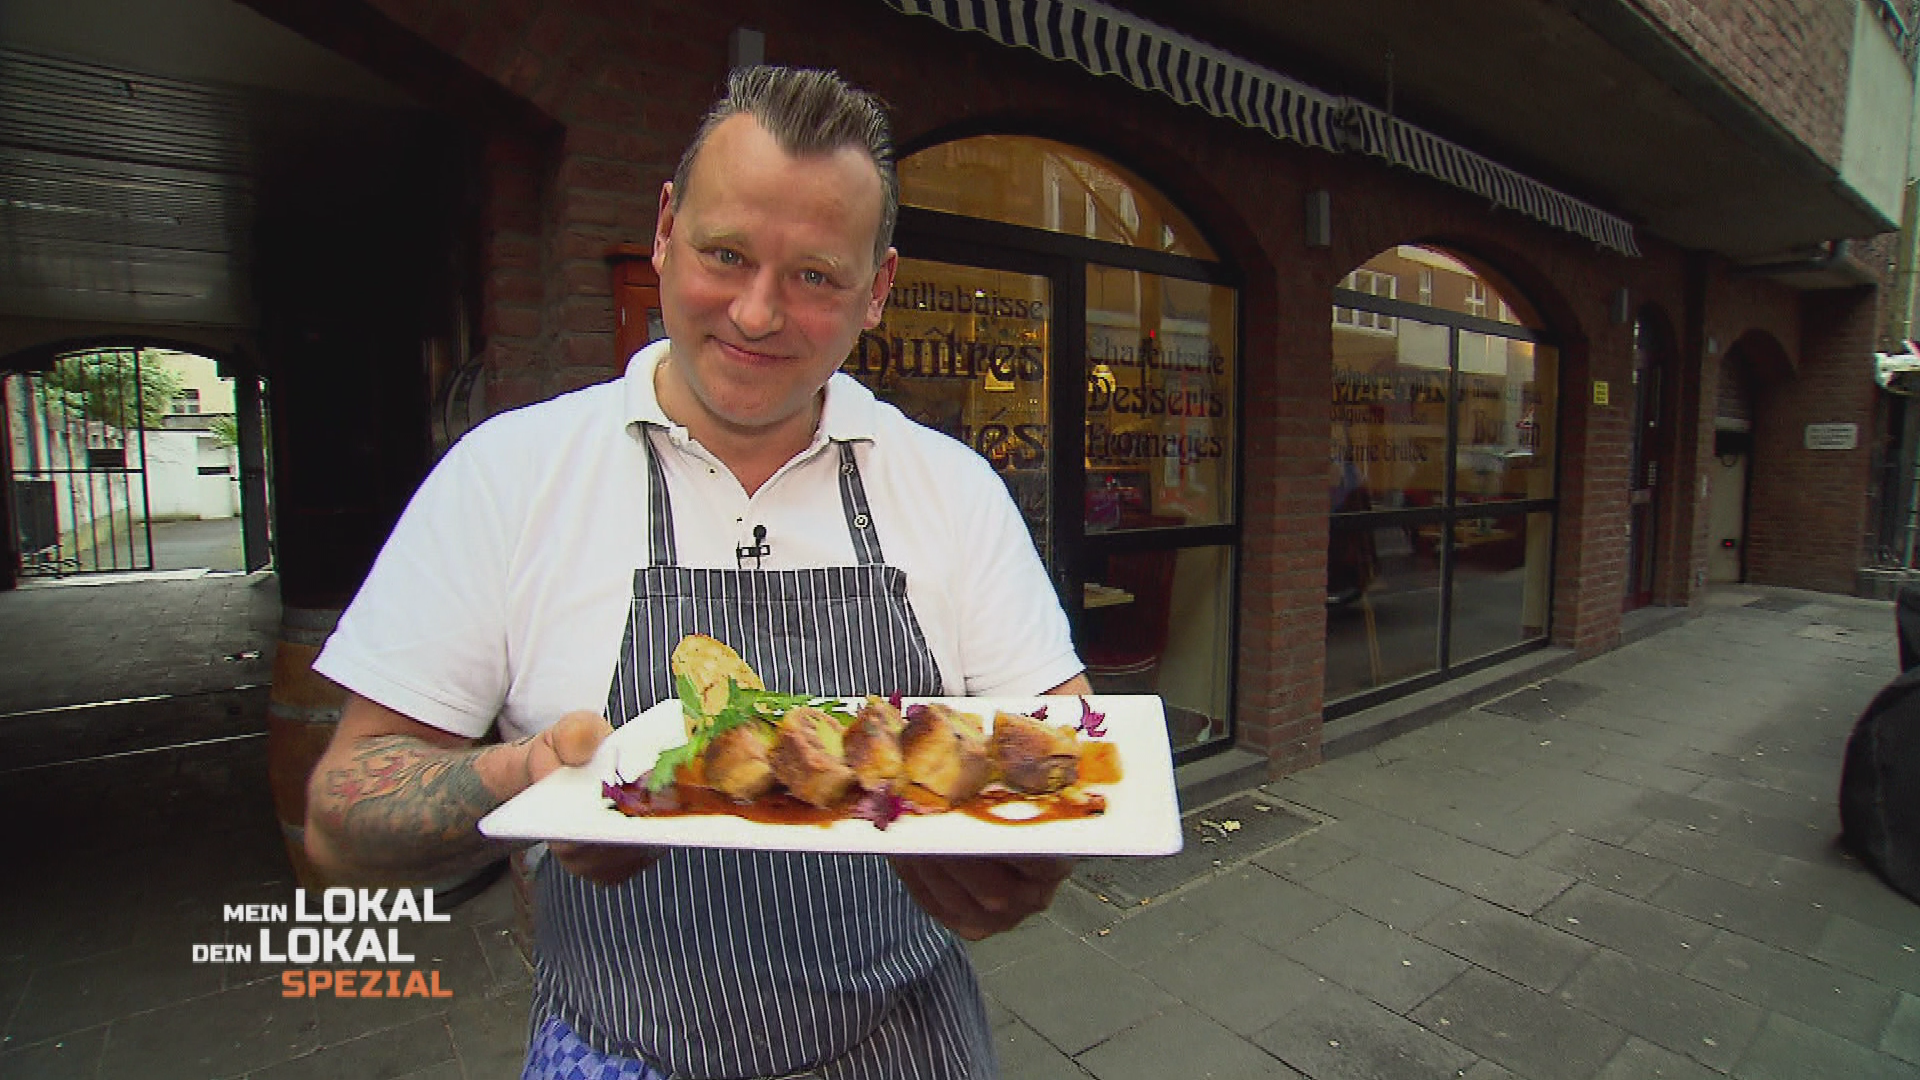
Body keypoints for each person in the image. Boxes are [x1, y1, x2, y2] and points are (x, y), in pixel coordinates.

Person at [303, 65, 1089, 1080]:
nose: (757, 314)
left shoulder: (951, 488)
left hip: (905, 1048)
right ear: (666, 228)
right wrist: (528, 780)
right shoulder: (508, 477)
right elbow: (340, 821)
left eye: (814, 276)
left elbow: (1068, 749)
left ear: (879, 289)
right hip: (616, 1054)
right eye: (726, 254)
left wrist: (1032, 859)